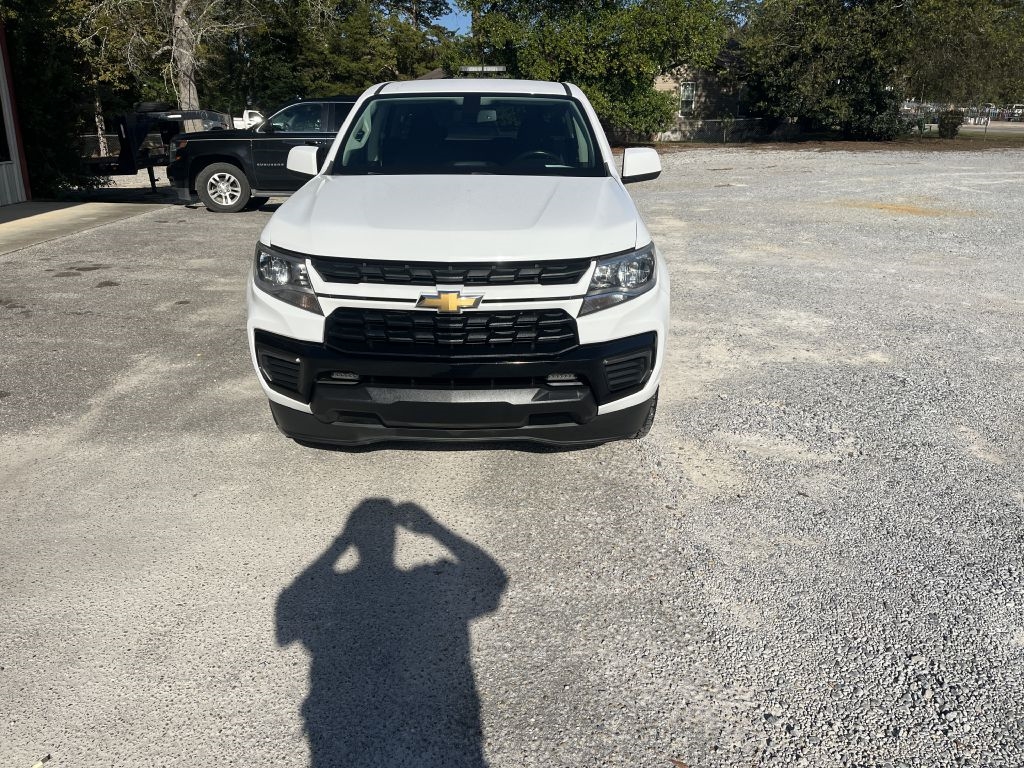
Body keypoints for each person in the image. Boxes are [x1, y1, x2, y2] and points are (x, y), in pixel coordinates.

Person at [276, 499, 507, 767]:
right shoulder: (426, 584)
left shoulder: (332, 590)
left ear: (355, 540)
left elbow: (288, 617)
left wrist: (339, 544)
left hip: (344, 729)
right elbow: (492, 581)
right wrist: (435, 530)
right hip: (432, 728)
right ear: (395, 539)